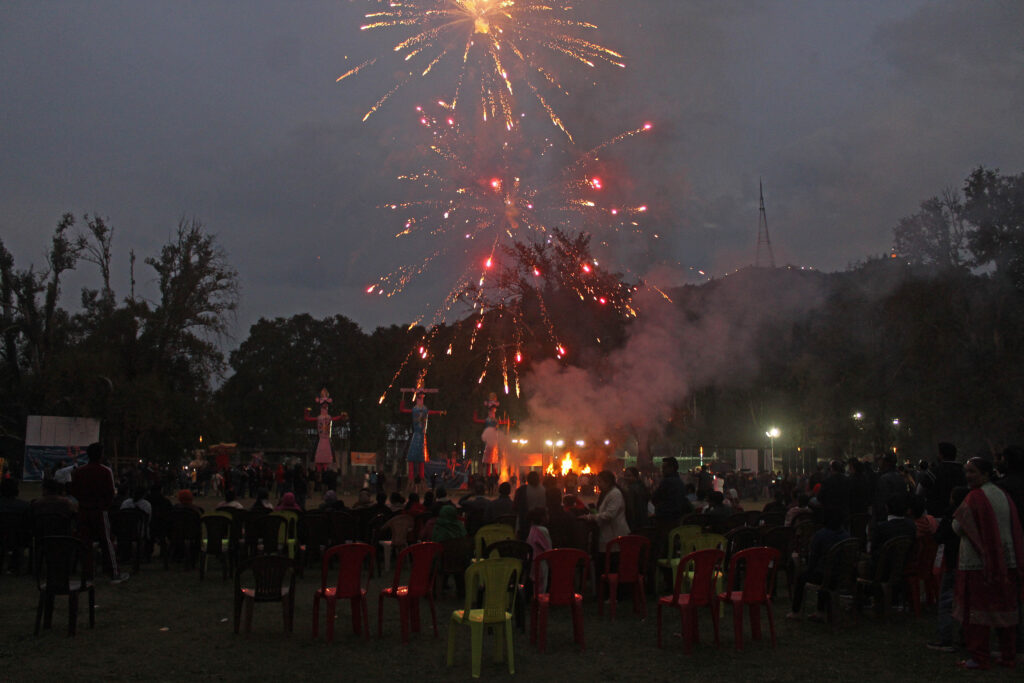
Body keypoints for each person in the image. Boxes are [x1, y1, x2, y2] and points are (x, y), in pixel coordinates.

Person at [952, 457, 1024, 670]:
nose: (968, 476)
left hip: (978, 562)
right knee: (1005, 610)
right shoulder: (1002, 495)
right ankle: (1008, 654)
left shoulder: (975, 497)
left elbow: (959, 525)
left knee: (977, 613)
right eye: (967, 471)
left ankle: (979, 656)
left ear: (985, 474)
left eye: (972, 471)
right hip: (1006, 559)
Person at [69, 442, 128, 582]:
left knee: (85, 543)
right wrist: (104, 505)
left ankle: (87, 573)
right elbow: (110, 493)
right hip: (99, 510)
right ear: (101, 455)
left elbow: (74, 490)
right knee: (106, 541)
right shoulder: (105, 471)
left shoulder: (79, 472)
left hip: (84, 511)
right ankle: (113, 572)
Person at [786, 507, 851, 621]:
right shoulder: (846, 536)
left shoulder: (821, 535)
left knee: (803, 577)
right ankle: (820, 610)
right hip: (841, 576)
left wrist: (808, 568)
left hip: (825, 576)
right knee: (824, 572)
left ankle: (796, 611)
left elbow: (813, 559)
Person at [584, 470, 630, 571]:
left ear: (607, 482)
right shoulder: (608, 493)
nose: (598, 484)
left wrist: (590, 517)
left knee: (612, 566)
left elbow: (609, 515)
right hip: (607, 535)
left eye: (600, 482)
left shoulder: (615, 494)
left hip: (614, 535)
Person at [400, 390, 444, 493]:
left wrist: (439, 412)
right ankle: (412, 481)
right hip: (417, 435)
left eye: (422, 398)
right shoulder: (415, 409)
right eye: (419, 398)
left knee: (421, 459)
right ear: (417, 399)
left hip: (421, 435)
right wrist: (402, 399)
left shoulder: (424, 409)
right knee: (412, 457)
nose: (420, 400)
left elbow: (430, 413)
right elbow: (403, 410)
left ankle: (419, 480)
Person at [304, 387, 347, 473]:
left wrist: (341, 417)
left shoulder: (326, 417)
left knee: (323, 455)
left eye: (326, 404)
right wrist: (306, 413)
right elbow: (307, 418)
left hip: (325, 439)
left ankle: (321, 469)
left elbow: (307, 418)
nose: (325, 406)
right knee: (323, 455)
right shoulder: (322, 417)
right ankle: (322, 470)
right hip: (322, 439)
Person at [621, 466, 650, 531]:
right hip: (643, 521)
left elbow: (631, 508)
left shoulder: (632, 489)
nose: (626, 478)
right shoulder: (642, 486)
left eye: (629, 476)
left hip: (635, 523)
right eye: (625, 476)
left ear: (636, 476)